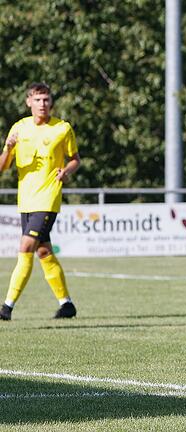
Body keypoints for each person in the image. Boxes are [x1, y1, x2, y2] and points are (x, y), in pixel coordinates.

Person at [0, 82, 80, 321]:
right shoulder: (19, 128)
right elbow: (3, 167)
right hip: (26, 200)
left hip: (48, 198)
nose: (42, 104)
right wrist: (9, 148)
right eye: (37, 100)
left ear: (51, 102)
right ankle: (67, 305)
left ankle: (6, 307)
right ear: (28, 102)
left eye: (46, 100)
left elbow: (76, 159)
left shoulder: (62, 128)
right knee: (43, 251)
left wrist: (67, 171)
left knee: (25, 248)